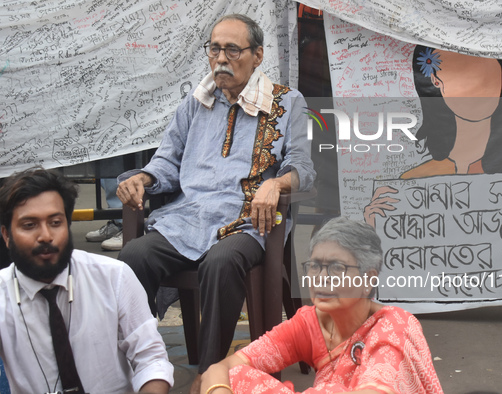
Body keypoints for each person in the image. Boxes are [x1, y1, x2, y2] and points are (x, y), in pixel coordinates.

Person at [116, 13, 315, 383]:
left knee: (221, 263)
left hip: (247, 222)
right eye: (214, 49)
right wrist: (142, 177)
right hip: (187, 219)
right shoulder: (197, 102)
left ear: (257, 55)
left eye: (232, 50)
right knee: (132, 257)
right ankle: (139, 367)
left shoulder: (287, 103)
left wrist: (276, 184)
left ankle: (209, 375)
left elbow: (303, 166)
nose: (221, 59)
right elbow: (168, 161)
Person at [198, 217, 443, 394]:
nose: (321, 277)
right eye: (314, 265)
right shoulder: (311, 322)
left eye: (337, 267)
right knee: (236, 378)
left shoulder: (393, 328)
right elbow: (222, 369)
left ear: (368, 280)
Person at [0, 167, 174, 393]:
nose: (45, 236)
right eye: (29, 225)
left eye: (55, 222)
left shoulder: (114, 277)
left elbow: (151, 359)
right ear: (6, 235)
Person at [364, 46, 502, 230]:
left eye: (485, 78)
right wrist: (379, 233)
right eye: (461, 79)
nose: (476, 92)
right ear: (436, 81)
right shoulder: (411, 186)